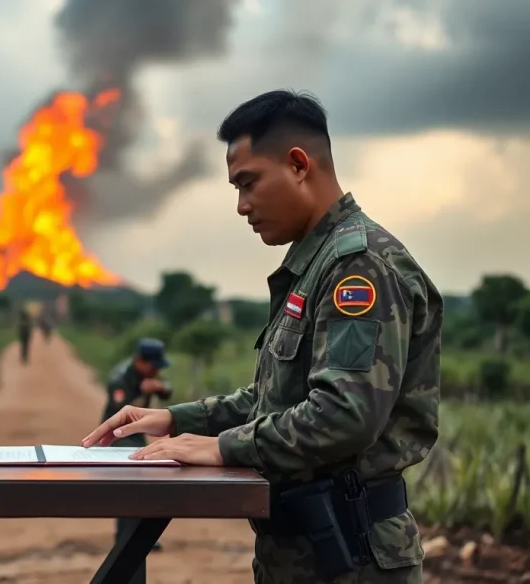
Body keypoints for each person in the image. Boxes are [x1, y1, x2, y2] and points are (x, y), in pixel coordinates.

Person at [83, 90, 441, 584]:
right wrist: (174, 418)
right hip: (302, 550)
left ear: (298, 164)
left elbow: (343, 415)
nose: (241, 206)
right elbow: (277, 397)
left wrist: (223, 447)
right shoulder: (315, 265)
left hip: (352, 557)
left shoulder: (358, 267)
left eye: (248, 184)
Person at [101, 338, 172, 552]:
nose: (155, 372)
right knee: (128, 485)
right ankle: (124, 539)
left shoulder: (147, 374)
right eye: (152, 367)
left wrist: (160, 387)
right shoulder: (120, 379)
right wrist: (141, 393)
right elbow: (122, 415)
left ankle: (143, 536)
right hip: (117, 435)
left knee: (147, 483)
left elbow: (167, 390)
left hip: (137, 434)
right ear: (140, 361)